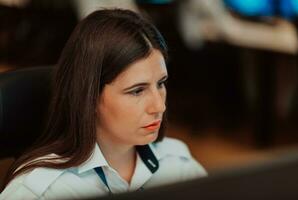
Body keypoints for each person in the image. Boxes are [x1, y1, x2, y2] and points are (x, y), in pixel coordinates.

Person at [0, 8, 207, 199]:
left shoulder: (178, 162)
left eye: (160, 83)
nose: (159, 106)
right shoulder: (40, 191)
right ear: (89, 95)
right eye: (137, 91)